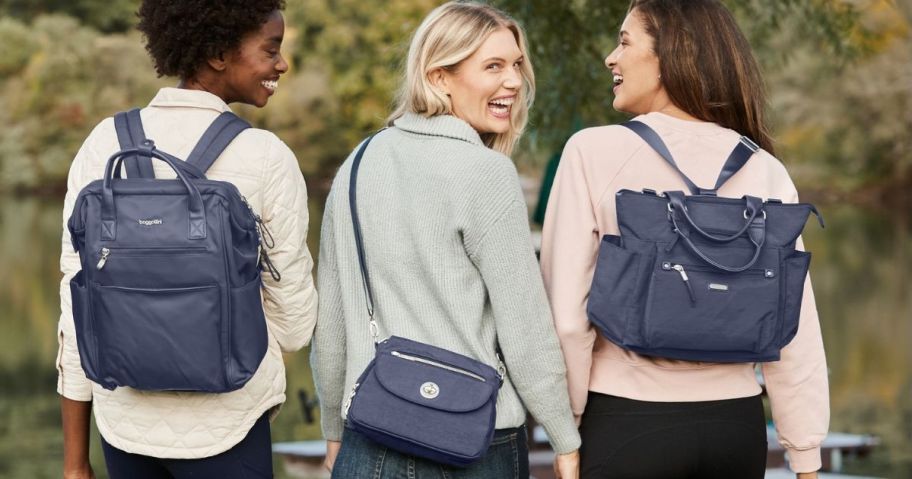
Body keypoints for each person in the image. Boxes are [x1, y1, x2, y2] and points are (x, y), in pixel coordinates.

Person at [540, 1, 829, 478]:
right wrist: (805, 455)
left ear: (671, 53)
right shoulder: (765, 168)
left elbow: (568, 321)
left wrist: (565, 435)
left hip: (627, 422)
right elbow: (795, 329)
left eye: (625, 41)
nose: (611, 58)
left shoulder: (592, 150)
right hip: (735, 429)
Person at [311, 2, 581, 478]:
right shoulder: (487, 173)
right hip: (476, 440)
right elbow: (525, 328)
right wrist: (564, 437)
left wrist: (332, 429)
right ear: (439, 78)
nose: (515, 82)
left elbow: (330, 323)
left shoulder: (357, 164)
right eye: (493, 66)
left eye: (517, 65)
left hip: (371, 434)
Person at [57, 1, 318, 478]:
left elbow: (75, 311)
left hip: (123, 427)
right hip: (228, 426)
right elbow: (297, 324)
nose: (281, 64)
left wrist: (75, 463)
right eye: (271, 49)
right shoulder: (264, 156)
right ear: (219, 53)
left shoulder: (103, 143)